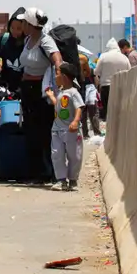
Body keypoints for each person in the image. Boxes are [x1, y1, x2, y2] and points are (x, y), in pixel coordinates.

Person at [16, 7, 63, 185]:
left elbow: (57, 59)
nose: (21, 25)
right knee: (31, 131)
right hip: (27, 90)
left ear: (30, 24)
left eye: (23, 22)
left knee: (45, 132)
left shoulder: (46, 41)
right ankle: (36, 173)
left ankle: (49, 172)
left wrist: (59, 80)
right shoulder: (28, 40)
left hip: (41, 91)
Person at [45, 62, 85, 191]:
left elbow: (79, 107)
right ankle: (61, 180)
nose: (55, 77)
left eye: (57, 74)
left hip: (71, 130)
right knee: (57, 154)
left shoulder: (73, 92)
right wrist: (52, 97)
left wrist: (75, 121)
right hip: (57, 129)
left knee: (74, 155)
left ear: (64, 76)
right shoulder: (61, 92)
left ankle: (73, 180)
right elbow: (59, 106)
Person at [95, 38, 131, 122]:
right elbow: (129, 71)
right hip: (120, 86)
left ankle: (108, 126)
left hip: (106, 86)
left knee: (107, 109)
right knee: (118, 109)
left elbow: (96, 71)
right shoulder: (124, 58)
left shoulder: (103, 56)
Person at [0, 8, 27, 98]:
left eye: (19, 28)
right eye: (12, 28)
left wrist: (19, 92)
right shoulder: (4, 40)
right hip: (5, 91)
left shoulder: (29, 45)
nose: (14, 31)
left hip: (24, 92)